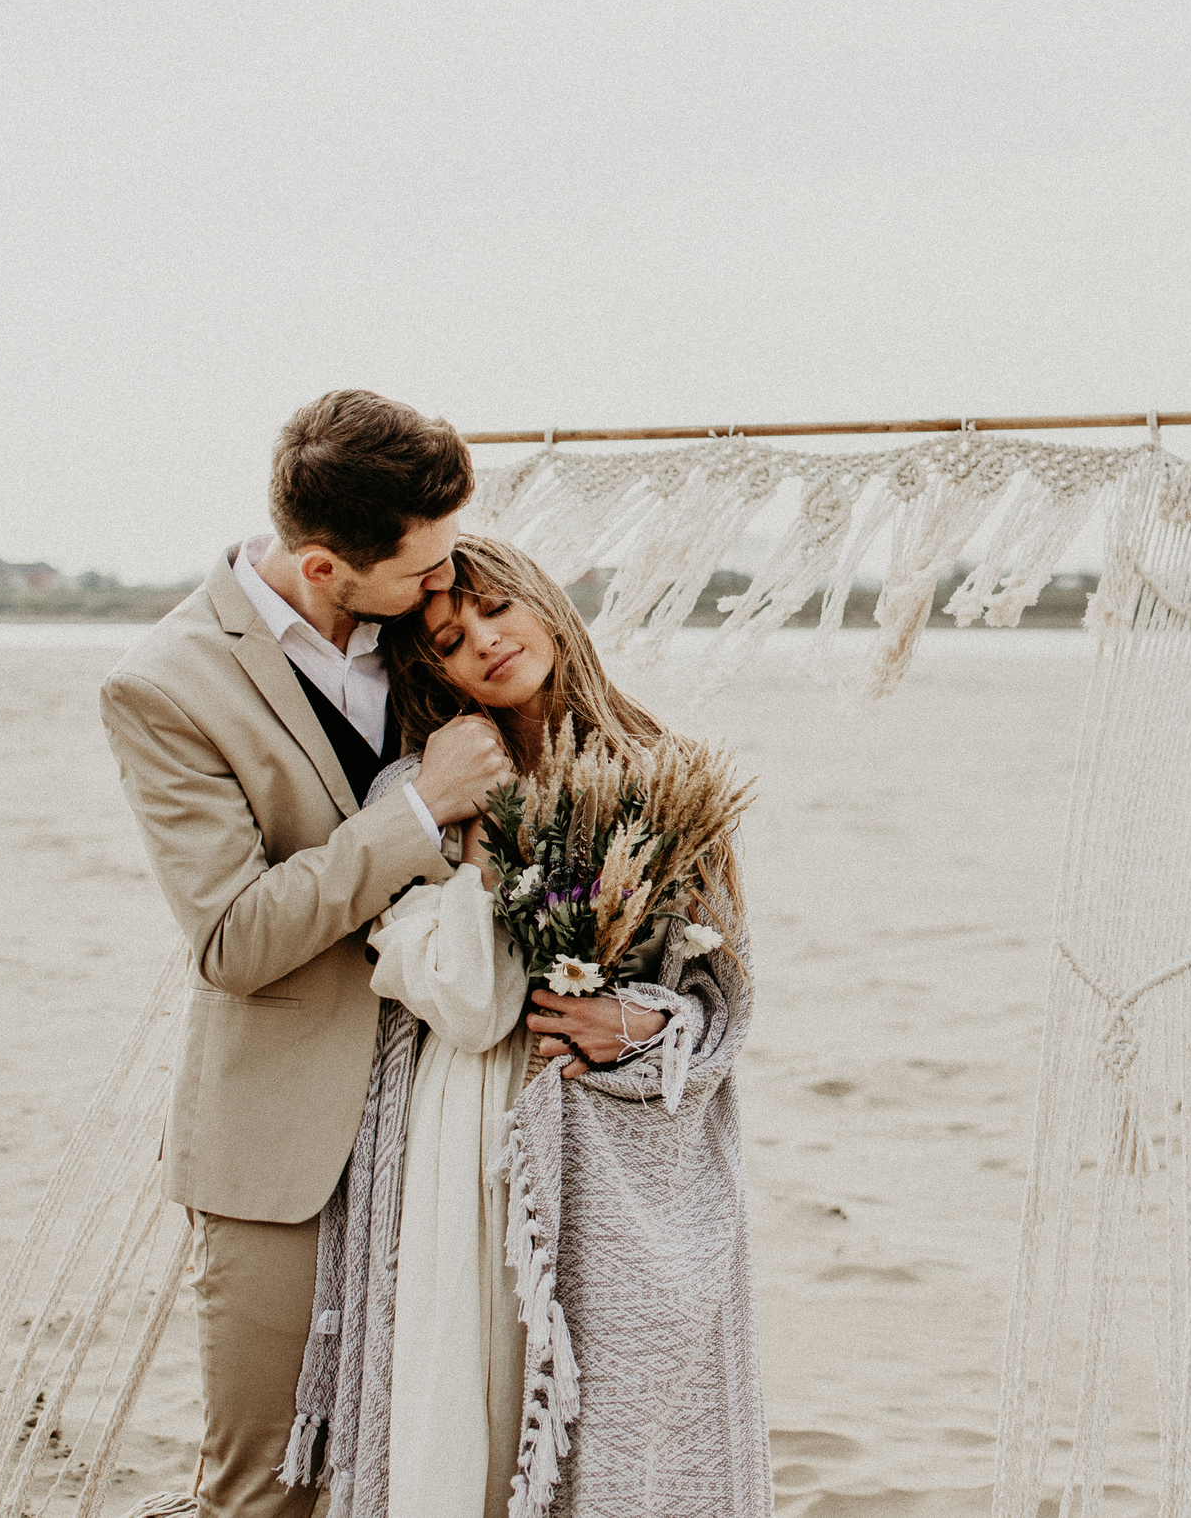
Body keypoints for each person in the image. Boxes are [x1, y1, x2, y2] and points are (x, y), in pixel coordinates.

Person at [99, 391, 519, 1518]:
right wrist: (417, 814)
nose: (448, 581)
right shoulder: (165, 683)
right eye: (423, 567)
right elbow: (232, 937)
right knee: (268, 1484)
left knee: (440, 1466)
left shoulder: (430, 623)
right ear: (325, 567)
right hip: (281, 1147)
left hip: (450, 1123)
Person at [308, 535, 765, 1518]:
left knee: (616, 1421)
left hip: (613, 1143)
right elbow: (468, 1006)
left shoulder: (668, 772)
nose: (482, 640)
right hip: (465, 1130)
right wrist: (474, 838)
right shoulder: (414, 793)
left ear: (545, 604)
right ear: (433, 671)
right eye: (447, 639)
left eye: (495, 608)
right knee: (468, 1397)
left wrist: (636, 1023)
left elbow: (723, 993)